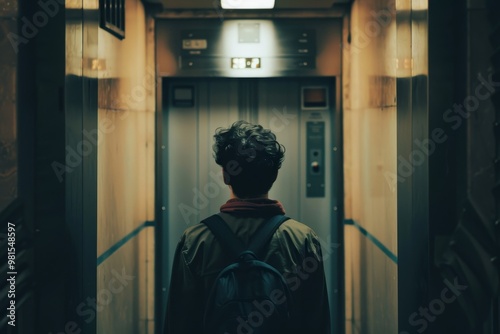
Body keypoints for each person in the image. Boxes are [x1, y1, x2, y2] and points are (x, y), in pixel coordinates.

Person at [164, 120, 331, 334]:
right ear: (274, 175)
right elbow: (317, 323)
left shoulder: (195, 242)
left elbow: (179, 323)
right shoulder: (303, 240)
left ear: (225, 175)